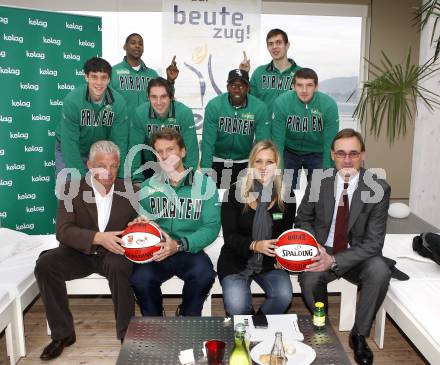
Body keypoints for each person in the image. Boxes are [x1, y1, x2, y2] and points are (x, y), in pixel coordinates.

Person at [295, 129, 391, 365]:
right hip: (323, 249)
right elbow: (302, 219)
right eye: (341, 153)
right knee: (309, 280)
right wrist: (315, 246)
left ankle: (358, 335)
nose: (347, 159)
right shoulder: (319, 181)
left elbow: (374, 242)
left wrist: (335, 261)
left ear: (363, 156)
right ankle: (322, 327)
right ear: (332, 155)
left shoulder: (378, 188)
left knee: (380, 271)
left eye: (353, 153)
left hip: (357, 255)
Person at [35, 141, 138, 361]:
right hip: (79, 252)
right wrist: (97, 238)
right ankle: (62, 335)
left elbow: (137, 228)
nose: (108, 172)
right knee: (45, 264)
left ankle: (126, 334)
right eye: (102, 166)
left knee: (120, 265)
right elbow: (63, 231)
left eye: (113, 166)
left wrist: (139, 225)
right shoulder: (71, 189)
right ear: (90, 165)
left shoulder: (131, 191)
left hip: (113, 253)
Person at [130, 128, 220, 316]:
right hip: (157, 251)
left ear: (182, 152)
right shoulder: (148, 186)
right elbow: (141, 222)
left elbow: (211, 227)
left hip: (187, 248)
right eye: (160, 152)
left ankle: (187, 316)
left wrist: (179, 245)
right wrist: (140, 224)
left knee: (204, 275)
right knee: (140, 279)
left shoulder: (204, 185)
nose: (165, 156)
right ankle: (155, 318)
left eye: (170, 150)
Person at [218, 140, 296, 315]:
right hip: (236, 261)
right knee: (237, 305)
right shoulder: (234, 192)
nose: (263, 167)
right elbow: (230, 237)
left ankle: (258, 323)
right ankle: (245, 324)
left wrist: (282, 259)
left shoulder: (286, 195)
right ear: (251, 164)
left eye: (269, 162)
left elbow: (285, 234)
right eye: (258, 161)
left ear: (277, 165)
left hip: (269, 263)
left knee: (283, 295)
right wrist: (255, 245)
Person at [55, 57, 129, 178]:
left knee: (99, 191)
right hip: (70, 147)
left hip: (98, 151)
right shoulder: (72, 101)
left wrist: (120, 176)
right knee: (69, 190)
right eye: (94, 77)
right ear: (86, 77)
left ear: (109, 79)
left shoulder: (118, 103)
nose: (99, 83)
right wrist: (79, 177)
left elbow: (120, 142)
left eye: (103, 77)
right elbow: (70, 142)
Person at [200, 69, 270, 188]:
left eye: (241, 85)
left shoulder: (259, 108)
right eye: (233, 85)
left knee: (242, 202)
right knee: (216, 201)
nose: (237, 89)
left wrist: (259, 170)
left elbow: (262, 144)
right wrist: (206, 172)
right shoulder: (214, 105)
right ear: (227, 87)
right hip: (217, 160)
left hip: (244, 162)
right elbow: (208, 143)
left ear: (248, 88)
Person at [271, 68, 339, 188]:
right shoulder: (281, 103)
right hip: (289, 151)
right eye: (300, 85)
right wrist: (278, 173)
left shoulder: (328, 105)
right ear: (293, 86)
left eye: (309, 85)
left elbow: (331, 143)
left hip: (317, 152)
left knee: (320, 191)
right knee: (284, 191)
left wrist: (327, 173)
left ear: (316, 87)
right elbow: (278, 142)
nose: (304, 90)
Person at [129, 77, 199, 183]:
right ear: (148, 97)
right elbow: (135, 149)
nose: (159, 102)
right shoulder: (140, 113)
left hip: (177, 167)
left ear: (171, 97)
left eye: (163, 97)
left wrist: (188, 179)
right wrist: (137, 180)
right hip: (150, 166)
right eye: (154, 97)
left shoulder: (184, 113)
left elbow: (191, 150)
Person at [111, 33, 179, 114]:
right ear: (125, 47)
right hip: (122, 125)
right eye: (133, 43)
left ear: (143, 49)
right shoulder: (113, 71)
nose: (137, 46)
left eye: (140, 44)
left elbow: (165, 98)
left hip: (146, 124)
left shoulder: (152, 74)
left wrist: (170, 81)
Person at [239, 28, 301, 106]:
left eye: (278, 42)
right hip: (263, 118)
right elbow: (247, 101)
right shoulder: (259, 73)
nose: (274, 47)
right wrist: (243, 74)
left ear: (287, 45)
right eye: (270, 44)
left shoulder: (301, 73)